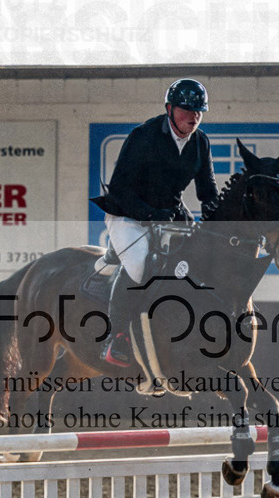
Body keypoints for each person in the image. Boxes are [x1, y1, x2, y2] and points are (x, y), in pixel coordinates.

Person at [90, 78, 219, 366]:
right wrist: (149, 213)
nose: (194, 116)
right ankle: (117, 337)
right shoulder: (144, 136)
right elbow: (119, 189)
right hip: (128, 213)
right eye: (186, 109)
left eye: (199, 110)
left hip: (169, 214)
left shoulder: (200, 142)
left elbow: (207, 189)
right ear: (170, 109)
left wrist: (216, 217)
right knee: (140, 266)